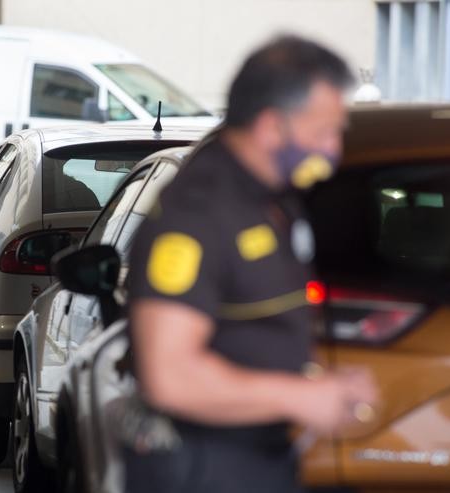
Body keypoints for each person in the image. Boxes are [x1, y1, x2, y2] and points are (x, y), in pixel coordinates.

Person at [124, 36, 379, 492]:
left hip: (256, 459)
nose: (334, 149)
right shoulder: (197, 214)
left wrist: (319, 384)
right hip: (201, 468)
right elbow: (170, 376)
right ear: (271, 127)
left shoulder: (271, 200)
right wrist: (301, 397)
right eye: (323, 132)